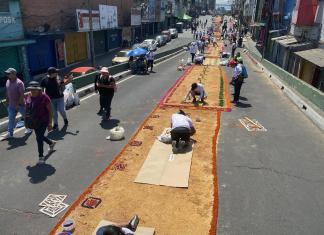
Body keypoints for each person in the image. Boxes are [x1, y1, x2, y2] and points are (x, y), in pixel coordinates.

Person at [25, 81, 56, 164]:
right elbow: (27, 109)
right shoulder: (29, 97)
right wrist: (26, 122)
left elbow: (50, 111)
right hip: (34, 121)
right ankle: (51, 143)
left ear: (39, 90)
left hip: (43, 121)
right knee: (40, 136)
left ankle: (41, 157)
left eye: (35, 89)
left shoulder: (44, 97)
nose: (33, 91)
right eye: (31, 89)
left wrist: (50, 123)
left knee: (39, 138)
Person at [1, 68, 32, 139]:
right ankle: (10, 133)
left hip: (20, 104)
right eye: (7, 73)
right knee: (11, 118)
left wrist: (18, 104)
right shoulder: (7, 81)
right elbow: (7, 91)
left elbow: (22, 94)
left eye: (9, 73)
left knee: (25, 117)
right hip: (11, 104)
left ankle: (29, 128)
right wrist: (7, 99)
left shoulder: (19, 83)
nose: (7, 75)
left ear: (14, 74)